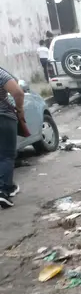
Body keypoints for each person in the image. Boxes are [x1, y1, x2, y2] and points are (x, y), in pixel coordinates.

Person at [0, 66, 24, 208]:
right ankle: (3, 191)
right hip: (3, 117)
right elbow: (18, 92)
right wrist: (20, 109)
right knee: (6, 155)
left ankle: (8, 186)